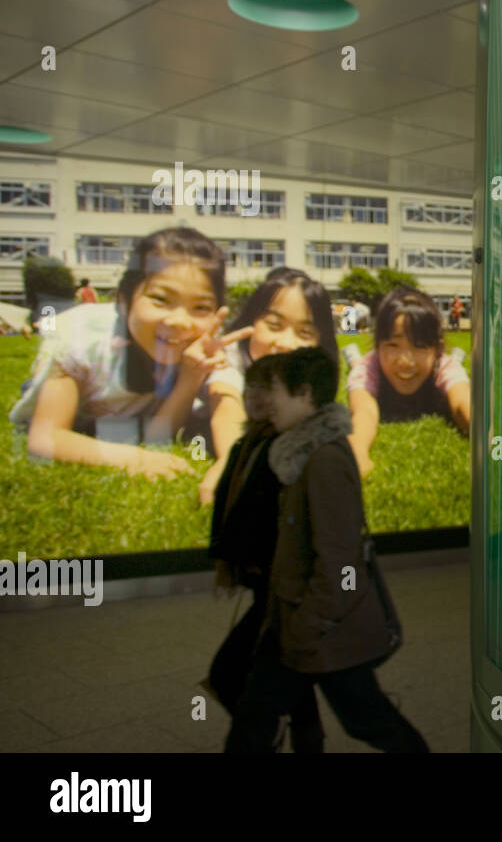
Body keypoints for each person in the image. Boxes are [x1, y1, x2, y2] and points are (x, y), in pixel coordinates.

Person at [224, 347, 428, 753]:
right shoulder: (298, 453)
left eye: (277, 391)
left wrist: (307, 625)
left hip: (320, 628)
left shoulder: (324, 460)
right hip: (294, 619)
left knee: (367, 719)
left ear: (303, 395)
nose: (269, 402)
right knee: (255, 716)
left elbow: (341, 562)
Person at [9, 228, 246, 479]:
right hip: (80, 396)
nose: (180, 322)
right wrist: (134, 459)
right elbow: (45, 437)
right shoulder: (82, 338)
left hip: (121, 414)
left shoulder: (200, 349)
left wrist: (190, 377)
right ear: (124, 299)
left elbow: (159, 437)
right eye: (160, 299)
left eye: (200, 307)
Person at [207, 355, 324, 752]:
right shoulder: (248, 443)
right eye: (251, 386)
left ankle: (266, 731)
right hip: (266, 582)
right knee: (290, 670)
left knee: (230, 672)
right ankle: (306, 736)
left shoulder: (288, 448)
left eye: (267, 388)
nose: (257, 397)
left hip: (284, 584)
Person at [199, 267, 338, 504]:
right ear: (250, 323)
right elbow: (226, 408)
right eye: (274, 326)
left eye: (304, 332)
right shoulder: (229, 360)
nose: (286, 343)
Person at [345, 288, 470, 478]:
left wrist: (494, 439)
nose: (406, 360)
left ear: (437, 349)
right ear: (378, 346)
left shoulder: (443, 365)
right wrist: (357, 450)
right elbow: (364, 411)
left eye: (419, 346)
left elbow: (463, 403)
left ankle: (457, 356)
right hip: (369, 366)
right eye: (393, 345)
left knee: (453, 366)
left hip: (439, 365)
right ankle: (352, 355)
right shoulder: (369, 367)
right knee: (356, 366)